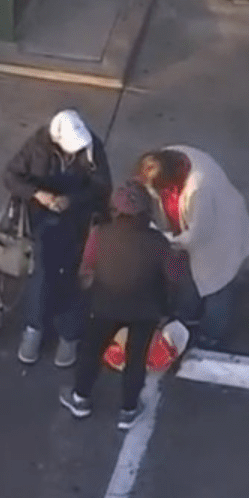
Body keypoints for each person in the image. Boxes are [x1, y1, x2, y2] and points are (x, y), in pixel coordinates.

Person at [4, 108, 111, 368]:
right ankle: (35, 327)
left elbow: (101, 187)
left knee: (77, 277)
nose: (73, 153)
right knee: (43, 274)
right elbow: (11, 176)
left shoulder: (92, 147)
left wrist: (72, 200)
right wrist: (39, 194)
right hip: (43, 219)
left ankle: (69, 334)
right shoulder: (37, 145)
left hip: (80, 219)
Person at [61, 182, 173, 429]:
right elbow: (172, 277)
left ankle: (80, 398)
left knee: (91, 351)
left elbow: (86, 269)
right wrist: (166, 309)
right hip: (145, 309)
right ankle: (128, 410)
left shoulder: (100, 233)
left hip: (104, 304)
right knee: (136, 358)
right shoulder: (158, 242)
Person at [136, 146, 249, 349]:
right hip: (194, 236)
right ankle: (188, 315)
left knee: (216, 292)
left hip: (218, 242)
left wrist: (161, 238)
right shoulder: (169, 159)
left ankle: (211, 334)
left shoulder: (200, 188)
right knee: (190, 280)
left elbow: (196, 236)